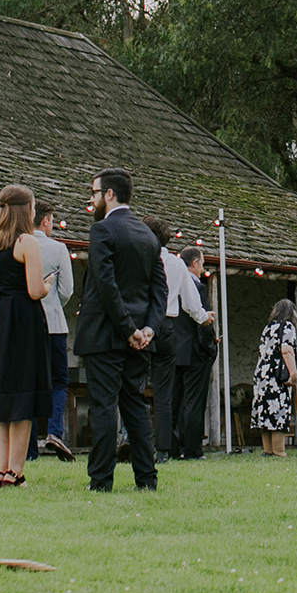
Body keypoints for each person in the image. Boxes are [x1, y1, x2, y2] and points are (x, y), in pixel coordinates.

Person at [74, 168, 163, 491]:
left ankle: (100, 481)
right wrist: (149, 327)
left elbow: (106, 285)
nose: (91, 198)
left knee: (103, 407)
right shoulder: (148, 235)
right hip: (140, 337)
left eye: (94, 192)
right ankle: (147, 479)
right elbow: (159, 290)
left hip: (106, 335)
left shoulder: (102, 231)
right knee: (135, 406)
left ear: (109, 194)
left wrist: (129, 329)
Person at [0, 184, 53, 488]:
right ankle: (15, 472)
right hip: (22, 319)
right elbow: (35, 291)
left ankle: (1, 467)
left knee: (2, 391)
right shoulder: (26, 242)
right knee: (23, 392)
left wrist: (4, 286)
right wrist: (45, 285)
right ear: (26, 209)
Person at [148, 214, 207, 466]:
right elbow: (191, 302)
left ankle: (131, 439)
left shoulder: (140, 258)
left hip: (140, 325)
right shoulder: (175, 264)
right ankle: (163, 450)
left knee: (133, 385)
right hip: (167, 327)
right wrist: (204, 317)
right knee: (164, 394)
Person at [31, 200, 77, 462]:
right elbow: (67, 290)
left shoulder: (18, 244)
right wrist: (54, 303)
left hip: (26, 324)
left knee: (28, 383)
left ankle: (27, 447)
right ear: (46, 220)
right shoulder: (57, 248)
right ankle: (54, 432)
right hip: (54, 323)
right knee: (58, 381)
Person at [170, 247, 217, 460]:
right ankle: (191, 450)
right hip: (195, 351)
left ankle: (171, 448)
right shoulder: (197, 287)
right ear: (195, 263)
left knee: (174, 402)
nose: (202, 269)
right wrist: (210, 346)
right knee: (193, 402)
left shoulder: (171, 283)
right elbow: (203, 322)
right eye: (202, 264)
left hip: (174, 350)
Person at [250, 297, 297, 456]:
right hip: (277, 376)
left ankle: (268, 450)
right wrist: (293, 372)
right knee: (277, 410)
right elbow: (286, 349)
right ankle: (279, 451)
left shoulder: (267, 328)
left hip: (262, 374)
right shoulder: (287, 327)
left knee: (265, 412)